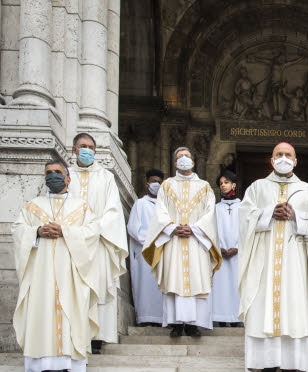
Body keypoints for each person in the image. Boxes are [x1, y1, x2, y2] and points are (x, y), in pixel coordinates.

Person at [238, 142, 308, 372]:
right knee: (263, 306)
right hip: (264, 262)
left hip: (295, 263)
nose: (283, 158)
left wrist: (296, 216)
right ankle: (266, 366)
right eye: (279, 154)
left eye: (288, 155)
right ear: (271, 159)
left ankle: (291, 367)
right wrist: (268, 213)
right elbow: (244, 217)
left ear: (296, 161)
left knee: (293, 308)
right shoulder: (257, 188)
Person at [13, 160, 100, 372]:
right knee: (40, 312)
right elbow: (18, 230)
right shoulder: (33, 206)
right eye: (49, 173)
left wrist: (65, 231)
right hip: (40, 272)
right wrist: (37, 231)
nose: (53, 176)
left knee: (71, 312)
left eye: (57, 172)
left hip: (70, 271)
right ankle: (36, 366)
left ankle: (72, 366)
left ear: (68, 178)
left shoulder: (81, 207)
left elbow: (92, 233)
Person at [142, 147, 221, 338]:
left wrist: (194, 228)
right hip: (174, 239)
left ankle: (195, 324)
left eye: (187, 156)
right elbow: (160, 211)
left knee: (197, 278)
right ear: (175, 163)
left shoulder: (205, 186)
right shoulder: (167, 186)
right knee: (174, 279)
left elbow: (210, 213)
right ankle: (176, 323)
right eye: (180, 157)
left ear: (193, 162)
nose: (184, 159)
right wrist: (172, 227)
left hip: (196, 241)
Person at [68, 133, 128, 354]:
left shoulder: (106, 177)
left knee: (99, 288)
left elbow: (113, 211)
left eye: (91, 147)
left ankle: (97, 337)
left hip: (99, 242)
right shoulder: (66, 176)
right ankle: (75, 333)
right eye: (83, 146)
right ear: (74, 150)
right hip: (72, 243)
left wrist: (92, 230)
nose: (87, 150)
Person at [126, 169, 165, 326]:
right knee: (145, 284)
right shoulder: (140, 204)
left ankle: (162, 318)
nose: (156, 184)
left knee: (160, 285)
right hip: (144, 251)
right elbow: (133, 228)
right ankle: (145, 317)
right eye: (153, 181)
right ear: (147, 183)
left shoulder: (165, 206)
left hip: (162, 249)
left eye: (159, 182)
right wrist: (149, 242)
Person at [211, 170, 242, 327]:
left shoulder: (243, 207)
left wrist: (237, 247)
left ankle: (237, 319)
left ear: (234, 185)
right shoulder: (215, 208)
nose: (223, 185)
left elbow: (247, 230)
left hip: (238, 255)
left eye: (226, 182)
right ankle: (222, 319)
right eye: (221, 183)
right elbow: (211, 229)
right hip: (221, 253)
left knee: (237, 286)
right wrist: (219, 246)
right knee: (221, 287)